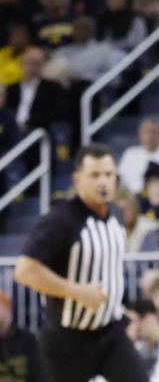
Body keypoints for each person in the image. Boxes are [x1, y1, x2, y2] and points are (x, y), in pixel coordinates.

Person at [13, 143, 147, 381]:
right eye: (94, 175)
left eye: (108, 174)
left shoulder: (115, 213)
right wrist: (76, 291)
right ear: (77, 180)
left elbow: (107, 268)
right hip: (68, 339)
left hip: (110, 332)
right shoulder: (61, 219)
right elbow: (25, 270)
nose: (103, 182)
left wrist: (118, 307)